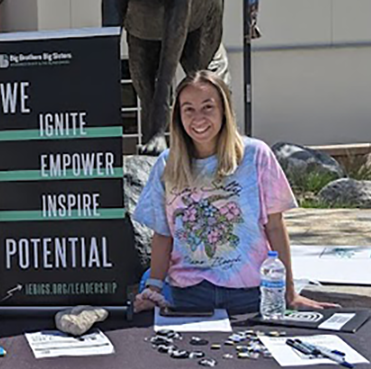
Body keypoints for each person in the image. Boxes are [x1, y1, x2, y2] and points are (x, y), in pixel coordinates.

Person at [133, 70, 335, 314]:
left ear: (224, 110)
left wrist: (289, 291)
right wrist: (153, 289)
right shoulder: (167, 164)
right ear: (177, 116)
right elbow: (163, 234)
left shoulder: (256, 155)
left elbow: (274, 226)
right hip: (189, 296)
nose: (198, 117)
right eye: (188, 109)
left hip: (250, 294)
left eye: (208, 107)